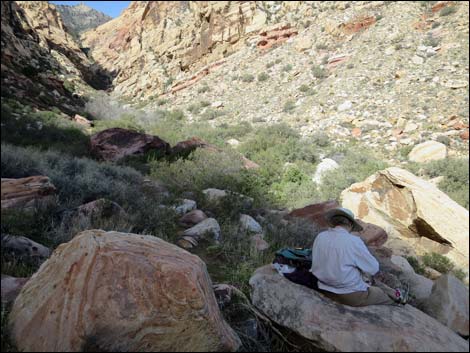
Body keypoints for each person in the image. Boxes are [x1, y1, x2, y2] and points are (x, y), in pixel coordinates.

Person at [310, 207, 407, 306]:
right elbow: (373, 268)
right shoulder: (353, 241)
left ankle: (395, 294)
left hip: (323, 287)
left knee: (368, 281)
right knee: (383, 295)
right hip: (348, 294)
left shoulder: (320, 236)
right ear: (351, 225)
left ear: (334, 222)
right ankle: (398, 299)